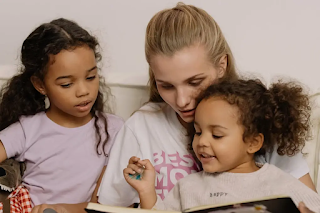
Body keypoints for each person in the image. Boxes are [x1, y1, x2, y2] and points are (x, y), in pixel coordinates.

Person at [98, 2, 316, 207]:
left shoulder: (257, 114)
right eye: (166, 86)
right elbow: (111, 207)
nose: (182, 101)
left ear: (221, 66)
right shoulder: (141, 128)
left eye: (195, 82)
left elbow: (308, 205)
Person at [124, 79, 320, 213]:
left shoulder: (280, 183)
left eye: (217, 135)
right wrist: (146, 191)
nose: (202, 142)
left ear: (253, 142)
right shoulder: (188, 187)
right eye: (198, 132)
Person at [0, 18, 123, 213]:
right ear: (40, 85)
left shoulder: (113, 130)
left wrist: (63, 209)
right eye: (66, 84)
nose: (83, 91)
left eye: (91, 77)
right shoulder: (28, 129)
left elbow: (104, 204)